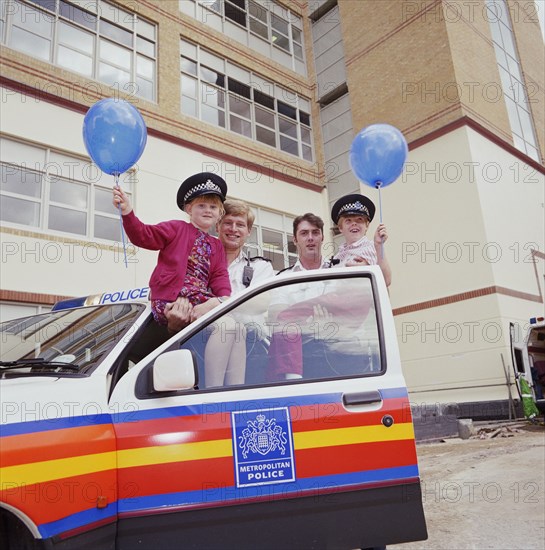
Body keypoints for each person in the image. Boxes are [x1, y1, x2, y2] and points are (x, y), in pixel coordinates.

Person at [167, 198, 274, 386]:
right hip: (198, 350)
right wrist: (174, 320)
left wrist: (217, 303)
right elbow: (176, 297)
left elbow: (260, 302)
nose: (233, 229)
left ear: (249, 232)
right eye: (228, 223)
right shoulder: (194, 261)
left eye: (240, 225)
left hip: (252, 355)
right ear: (218, 226)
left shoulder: (260, 266)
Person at [112, 171, 231, 334]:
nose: (208, 210)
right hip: (169, 299)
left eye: (213, 207)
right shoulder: (176, 228)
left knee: (231, 325)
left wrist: (223, 298)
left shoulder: (217, 245)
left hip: (199, 299)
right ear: (189, 209)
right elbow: (144, 235)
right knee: (224, 322)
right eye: (201, 205)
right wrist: (127, 211)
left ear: (219, 213)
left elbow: (219, 275)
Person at [331, 193, 392, 287]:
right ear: (340, 228)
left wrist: (379, 246)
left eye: (359, 219)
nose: (354, 224)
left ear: (366, 226)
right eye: (348, 221)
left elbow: (386, 281)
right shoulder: (337, 257)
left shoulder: (373, 247)